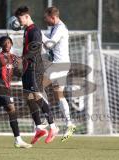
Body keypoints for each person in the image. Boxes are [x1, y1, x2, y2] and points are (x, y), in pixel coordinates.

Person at [15, 6, 59, 144]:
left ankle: (53, 126)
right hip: (27, 68)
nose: (18, 21)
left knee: (36, 96)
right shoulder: (26, 30)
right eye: (17, 19)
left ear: (27, 16)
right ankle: (39, 127)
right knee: (28, 98)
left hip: (35, 68)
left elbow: (35, 50)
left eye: (20, 18)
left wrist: (21, 59)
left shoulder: (35, 31)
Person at [42, 6, 76, 142]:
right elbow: (49, 46)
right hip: (61, 64)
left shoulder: (60, 28)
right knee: (58, 94)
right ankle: (69, 123)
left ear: (53, 17)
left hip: (59, 65)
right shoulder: (55, 28)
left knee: (37, 87)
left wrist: (38, 34)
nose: (45, 20)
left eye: (46, 18)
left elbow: (49, 44)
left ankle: (47, 120)